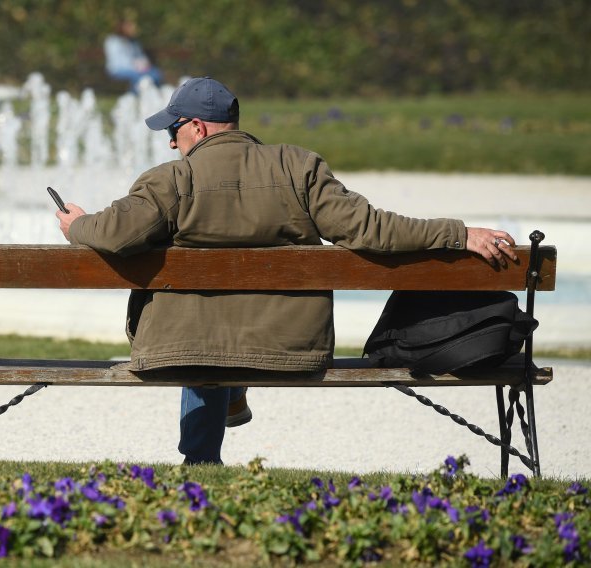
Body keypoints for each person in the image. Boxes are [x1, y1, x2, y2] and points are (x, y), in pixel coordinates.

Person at [55, 77, 517, 465]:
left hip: (187, 346)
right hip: (290, 343)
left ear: (197, 126)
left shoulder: (172, 180)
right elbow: (372, 230)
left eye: (174, 131)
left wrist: (77, 225)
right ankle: (232, 392)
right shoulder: (299, 168)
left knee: (199, 334)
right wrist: (460, 234)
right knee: (221, 330)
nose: (171, 142)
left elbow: (113, 233)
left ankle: (201, 459)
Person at [103, 18, 163, 92]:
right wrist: (134, 66)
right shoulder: (113, 41)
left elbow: (141, 56)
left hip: (137, 69)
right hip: (119, 70)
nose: (133, 29)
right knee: (138, 77)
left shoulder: (134, 42)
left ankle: (153, 95)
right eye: (130, 27)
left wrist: (144, 63)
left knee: (155, 73)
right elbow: (116, 62)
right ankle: (133, 96)